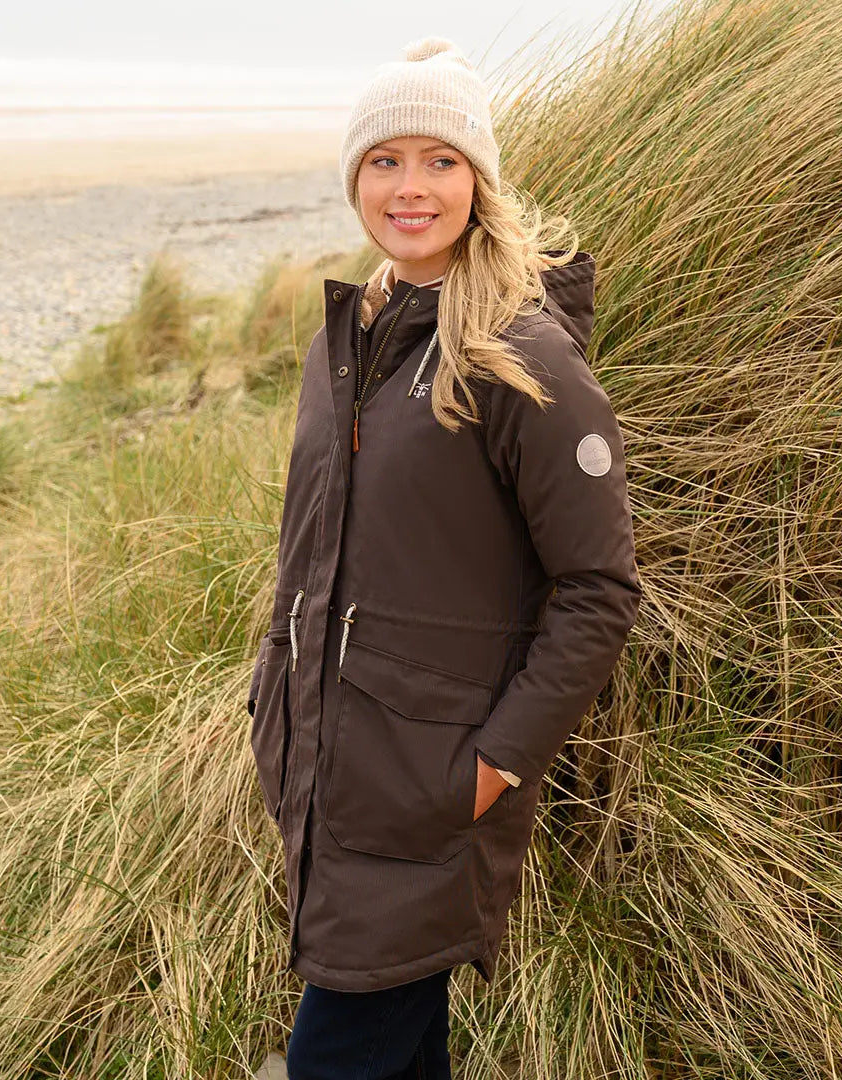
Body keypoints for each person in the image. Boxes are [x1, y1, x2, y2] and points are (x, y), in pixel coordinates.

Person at [245, 36, 641, 1080]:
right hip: (332, 777)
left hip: (431, 794)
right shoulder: (351, 339)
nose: (409, 187)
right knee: (402, 1054)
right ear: (354, 179)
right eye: (385, 160)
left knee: (337, 1056)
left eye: (440, 160)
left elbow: (600, 590)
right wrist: (270, 697)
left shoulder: (518, 351)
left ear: (480, 181)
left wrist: (492, 766)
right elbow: (309, 557)